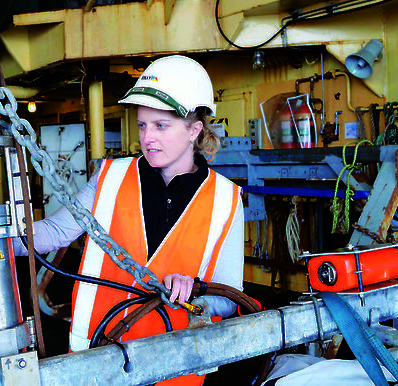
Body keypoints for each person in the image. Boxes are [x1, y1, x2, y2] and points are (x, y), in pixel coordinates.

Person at [16, 55, 244, 385]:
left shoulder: (226, 199)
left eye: (161, 126)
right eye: (142, 125)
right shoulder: (110, 177)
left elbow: (229, 296)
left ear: (194, 130)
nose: (147, 138)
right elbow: (54, 232)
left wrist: (196, 295)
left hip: (173, 369)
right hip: (97, 361)